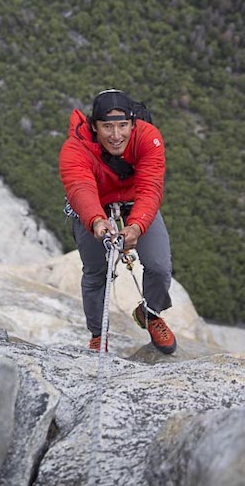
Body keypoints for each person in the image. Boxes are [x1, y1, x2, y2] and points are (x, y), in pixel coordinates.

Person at [58, 89, 177, 354]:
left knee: (159, 267)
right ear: (94, 126)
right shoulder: (75, 148)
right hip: (96, 205)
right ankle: (98, 334)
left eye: (123, 126)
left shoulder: (148, 138)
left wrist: (137, 225)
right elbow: (80, 187)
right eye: (107, 127)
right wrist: (96, 221)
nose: (115, 135)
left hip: (135, 201)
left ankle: (150, 313)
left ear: (133, 124)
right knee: (95, 272)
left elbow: (150, 187)